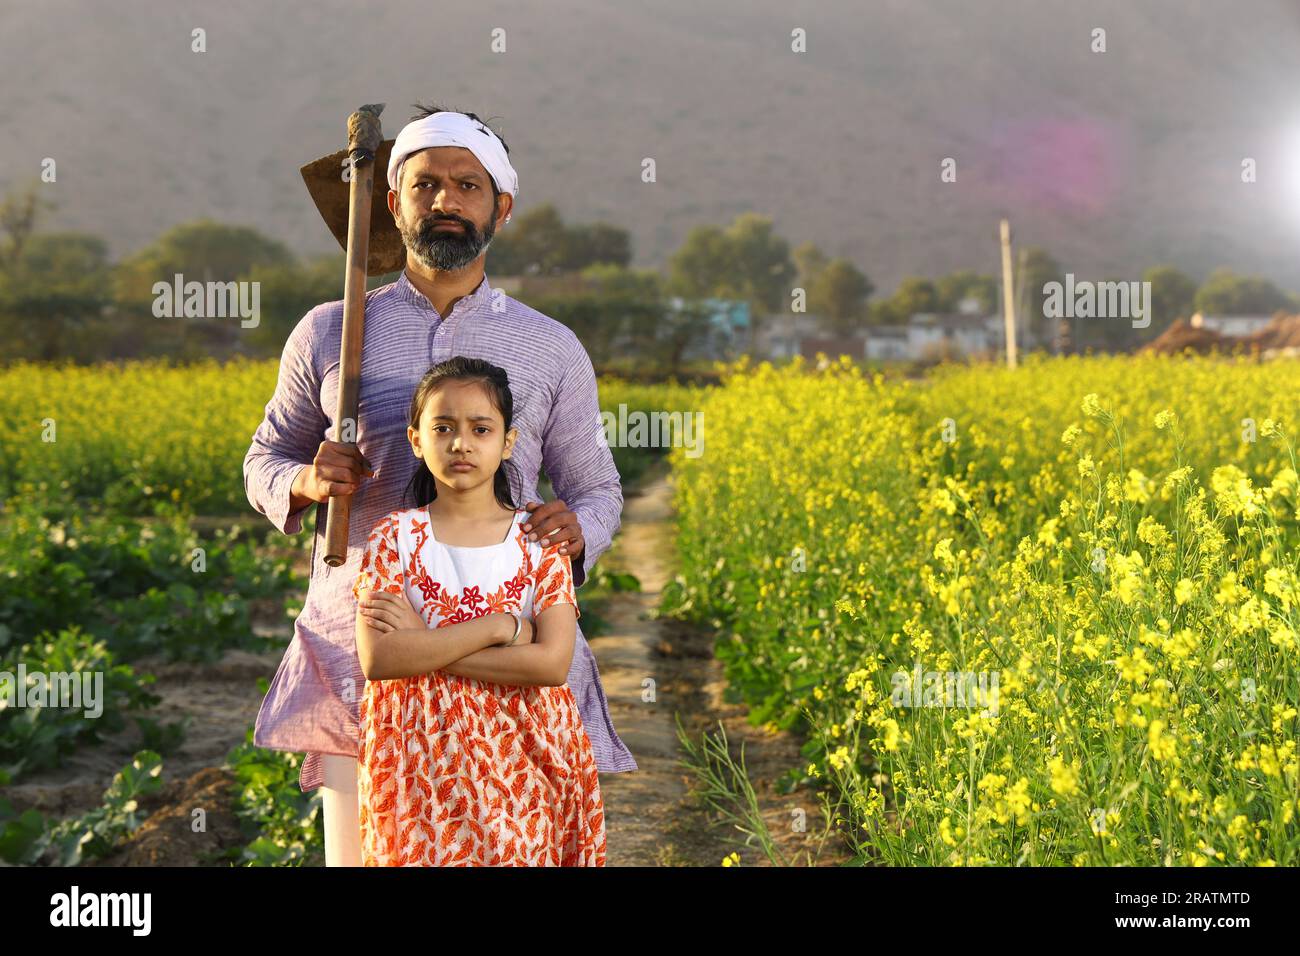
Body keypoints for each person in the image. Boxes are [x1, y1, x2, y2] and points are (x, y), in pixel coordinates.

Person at [243, 104, 636, 867]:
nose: (446, 201)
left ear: (502, 207)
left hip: (508, 651)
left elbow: (599, 488)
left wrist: (578, 528)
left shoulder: (552, 347)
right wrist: (304, 481)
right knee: (366, 855)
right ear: (394, 203)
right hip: (367, 639)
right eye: (426, 185)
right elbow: (264, 459)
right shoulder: (329, 331)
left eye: (468, 185)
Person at [353, 356, 603, 866]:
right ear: (416, 440)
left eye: (480, 429)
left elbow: (551, 664)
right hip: (419, 760)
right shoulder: (394, 539)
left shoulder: (539, 541)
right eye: (442, 428)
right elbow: (380, 659)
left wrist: (425, 645)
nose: (461, 443)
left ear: (507, 442)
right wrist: (502, 627)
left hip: (525, 756)